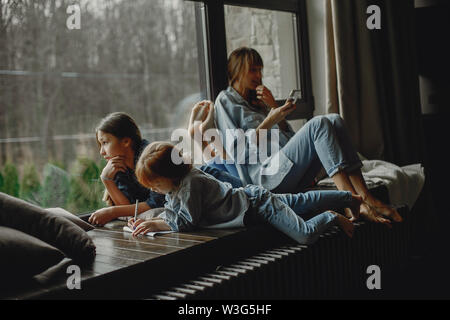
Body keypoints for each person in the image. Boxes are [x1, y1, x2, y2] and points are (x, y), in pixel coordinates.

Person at [212, 47, 402, 227]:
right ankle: (352, 201)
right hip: (264, 177)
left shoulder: (258, 103)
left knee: (334, 119)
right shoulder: (225, 101)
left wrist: (275, 112)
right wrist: (270, 120)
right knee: (318, 124)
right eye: (253, 70)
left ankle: (366, 196)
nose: (259, 76)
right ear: (237, 70)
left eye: (260, 70)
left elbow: (290, 141)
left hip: (287, 170)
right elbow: (237, 151)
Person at [128, 141, 360, 245]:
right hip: (251, 205)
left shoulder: (191, 184)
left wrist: (157, 224)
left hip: (257, 205)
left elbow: (188, 220)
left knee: (305, 235)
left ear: (170, 173)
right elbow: (172, 211)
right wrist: (151, 220)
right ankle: (350, 198)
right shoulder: (175, 187)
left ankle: (333, 216)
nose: (154, 190)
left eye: (156, 184)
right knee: (301, 202)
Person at [88, 112, 243, 226]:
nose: (102, 151)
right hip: (198, 185)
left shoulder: (148, 157)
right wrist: (107, 180)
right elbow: (130, 207)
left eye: (105, 142)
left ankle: (202, 137)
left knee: (244, 191)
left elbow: (154, 203)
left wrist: (112, 211)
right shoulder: (117, 168)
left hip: (209, 179)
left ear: (126, 141)